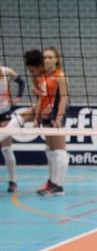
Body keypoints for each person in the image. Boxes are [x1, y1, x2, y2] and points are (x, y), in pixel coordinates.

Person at [31, 46, 70, 196]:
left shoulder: (61, 76)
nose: (47, 60)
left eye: (50, 57)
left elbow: (64, 98)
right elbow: (41, 99)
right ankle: (52, 182)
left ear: (57, 59)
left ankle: (58, 186)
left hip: (56, 115)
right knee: (51, 149)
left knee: (60, 150)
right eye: (45, 57)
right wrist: (37, 117)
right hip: (45, 116)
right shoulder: (43, 77)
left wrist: (59, 117)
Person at [0, 62, 22, 192]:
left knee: (6, 148)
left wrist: (18, 98)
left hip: (4, 113)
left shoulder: (6, 71)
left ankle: (13, 181)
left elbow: (21, 82)